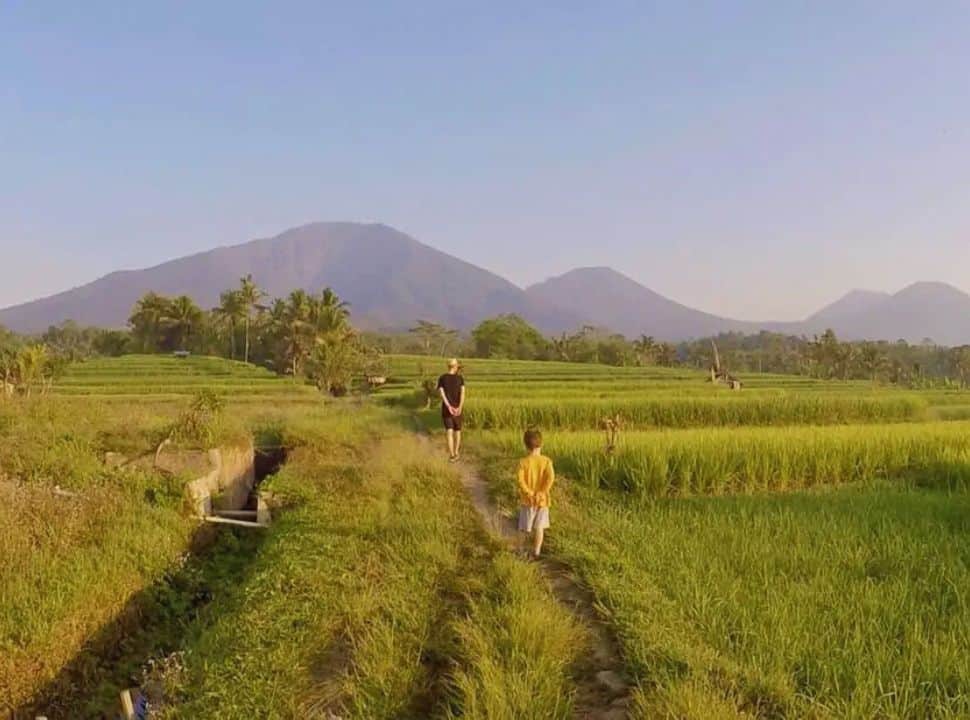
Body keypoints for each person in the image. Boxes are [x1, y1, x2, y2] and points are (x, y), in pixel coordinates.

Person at [517, 429, 555, 559]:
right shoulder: (547, 461)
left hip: (528, 501)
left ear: (526, 445)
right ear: (541, 444)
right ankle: (537, 551)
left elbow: (520, 480)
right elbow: (550, 478)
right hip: (543, 500)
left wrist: (530, 493)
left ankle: (522, 551)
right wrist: (542, 492)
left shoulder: (523, 462)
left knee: (524, 528)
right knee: (540, 527)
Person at [437, 358, 465, 462]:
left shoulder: (442, 378)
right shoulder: (460, 378)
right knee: (457, 431)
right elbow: (463, 393)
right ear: (455, 366)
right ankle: (456, 452)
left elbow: (441, 393)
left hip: (446, 409)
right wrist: (460, 407)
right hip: (458, 409)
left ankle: (452, 454)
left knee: (449, 431)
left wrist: (448, 406)